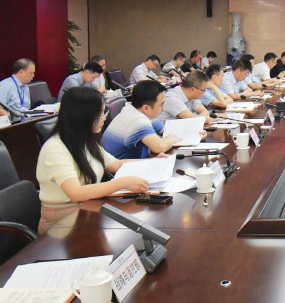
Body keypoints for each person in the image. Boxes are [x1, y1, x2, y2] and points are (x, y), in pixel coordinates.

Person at [36, 87, 150, 233]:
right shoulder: (55, 149)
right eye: (99, 115)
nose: (104, 118)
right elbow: (75, 193)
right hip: (62, 223)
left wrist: (155, 163)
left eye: (104, 113)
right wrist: (121, 183)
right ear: (82, 117)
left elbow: (116, 164)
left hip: (88, 209)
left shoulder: (85, 140)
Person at [102, 81, 181, 159]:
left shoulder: (135, 110)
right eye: (161, 104)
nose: (163, 108)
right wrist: (171, 139)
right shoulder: (137, 121)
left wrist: (168, 138)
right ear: (146, 108)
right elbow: (160, 147)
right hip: (121, 166)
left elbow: (165, 130)